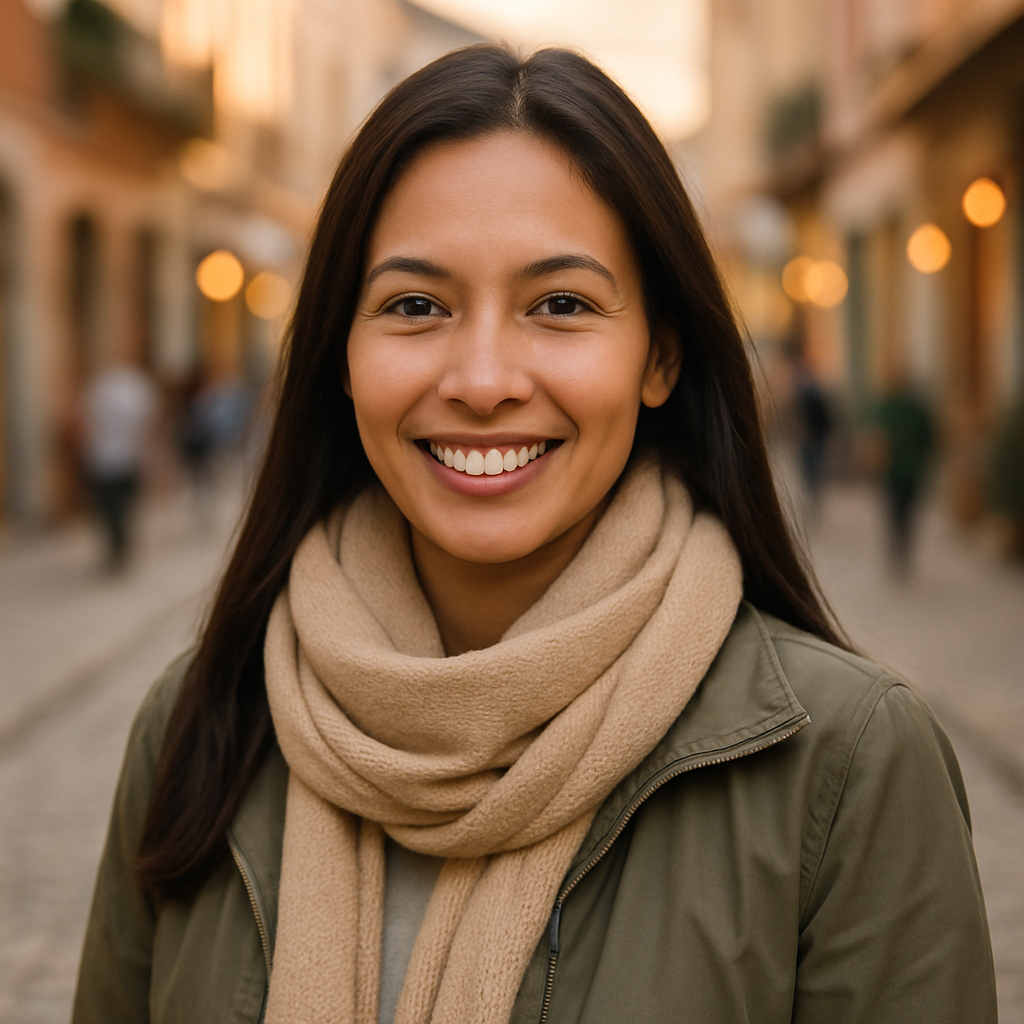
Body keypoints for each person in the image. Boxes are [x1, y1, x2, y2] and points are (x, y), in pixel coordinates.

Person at [73, 46, 996, 1024]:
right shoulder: (199, 725)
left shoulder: (847, 764)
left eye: (560, 305)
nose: (481, 379)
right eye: (414, 306)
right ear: (341, 358)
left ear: (660, 355)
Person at [80, 359, 156, 571]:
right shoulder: (135, 389)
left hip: (106, 459)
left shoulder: (99, 389)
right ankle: (121, 546)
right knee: (122, 507)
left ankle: (118, 546)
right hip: (121, 458)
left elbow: (86, 424)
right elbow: (146, 425)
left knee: (110, 508)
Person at [876, 373, 934, 576]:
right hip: (912, 470)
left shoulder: (888, 408)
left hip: (893, 470)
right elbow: (930, 439)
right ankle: (904, 547)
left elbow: (878, 438)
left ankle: (896, 547)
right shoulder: (918, 410)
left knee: (894, 511)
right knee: (908, 512)